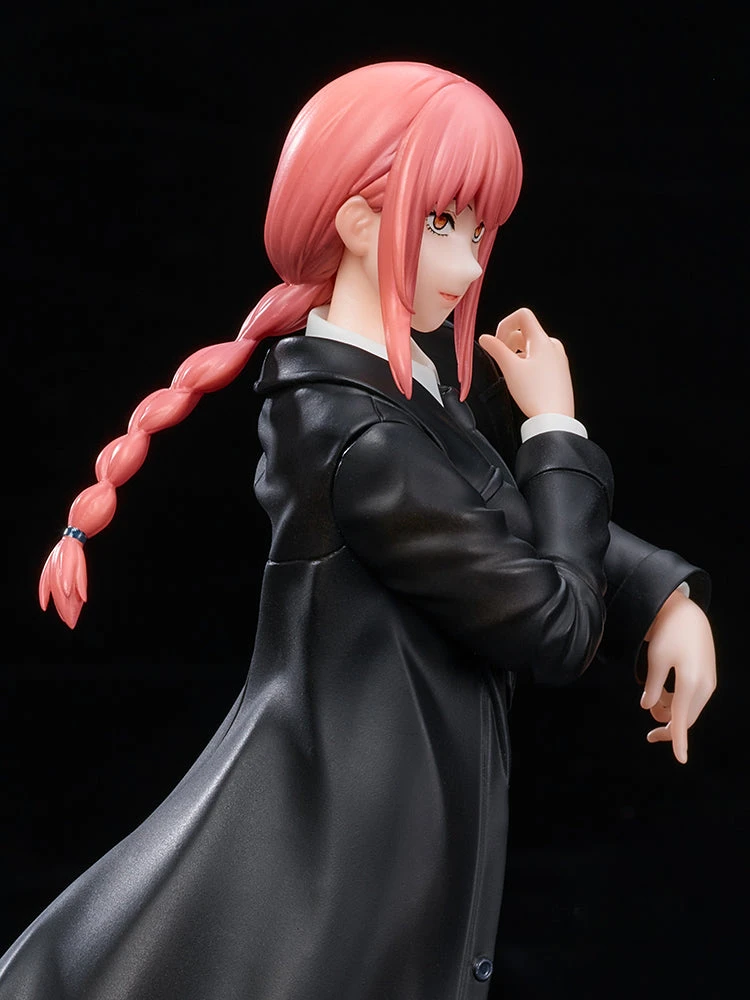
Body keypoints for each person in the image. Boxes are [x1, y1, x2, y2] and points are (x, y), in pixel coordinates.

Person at [0, 62, 715, 1000]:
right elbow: (554, 624)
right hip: (341, 850)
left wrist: (662, 594)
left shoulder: (403, 392)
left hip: (390, 826)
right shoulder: (363, 439)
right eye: (442, 224)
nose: (470, 266)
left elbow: (496, 518)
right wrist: (556, 428)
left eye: (479, 232)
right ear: (358, 221)